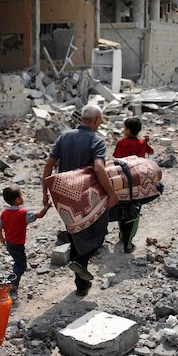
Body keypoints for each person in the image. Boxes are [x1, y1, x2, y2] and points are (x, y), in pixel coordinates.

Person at [42, 104, 119, 297]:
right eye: (100, 120)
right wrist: (112, 194)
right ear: (95, 120)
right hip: (89, 198)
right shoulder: (97, 140)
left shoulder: (64, 137)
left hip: (66, 199)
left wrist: (45, 193)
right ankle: (80, 261)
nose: (100, 123)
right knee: (99, 233)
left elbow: (49, 164)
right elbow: (99, 169)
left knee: (76, 233)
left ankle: (81, 288)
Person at [112, 117, 154, 253]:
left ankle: (122, 236)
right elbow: (151, 152)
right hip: (138, 182)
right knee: (135, 211)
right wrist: (146, 142)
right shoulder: (142, 143)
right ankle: (128, 243)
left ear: (128, 130)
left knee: (122, 208)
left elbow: (115, 159)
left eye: (124, 128)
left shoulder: (121, 142)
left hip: (123, 181)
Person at [0, 185, 49, 292]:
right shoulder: (23, 213)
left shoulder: (4, 213)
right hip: (18, 244)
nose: (23, 197)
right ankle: (11, 283)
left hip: (9, 244)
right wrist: (46, 207)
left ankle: (12, 283)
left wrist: (1, 237)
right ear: (17, 200)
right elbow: (39, 215)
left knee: (17, 263)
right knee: (21, 265)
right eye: (21, 195)